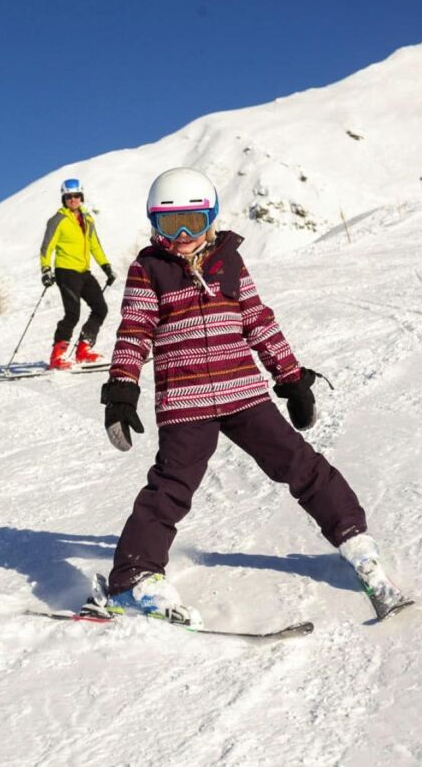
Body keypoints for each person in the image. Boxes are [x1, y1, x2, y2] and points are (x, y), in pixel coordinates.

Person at [82, 167, 405, 626]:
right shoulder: (146, 270)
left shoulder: (229, 262)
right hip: (184, 401)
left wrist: (291, 379)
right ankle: (134, 577)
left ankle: (355, 541)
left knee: (302, 465)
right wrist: (121, 389)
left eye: (193, 222)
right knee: (171, 487)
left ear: (211, 217)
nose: (182, 236)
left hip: (244, 394)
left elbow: (257, 321)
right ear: (153, 226)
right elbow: (134, 332)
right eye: (168, 225)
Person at [39, 178, 116, 369]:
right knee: (72, 314)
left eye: (76, 196)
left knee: (100, 309)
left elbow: (95, 246)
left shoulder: (88, 220)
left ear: (81, 197)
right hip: (66, 271)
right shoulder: (58, 220)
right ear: (64, 199)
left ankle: (83, 350)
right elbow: (46, 247)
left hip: (84, 272)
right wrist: (46, 269)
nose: (73, 199)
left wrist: (106, 266)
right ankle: (57, 356)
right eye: (68, 197)